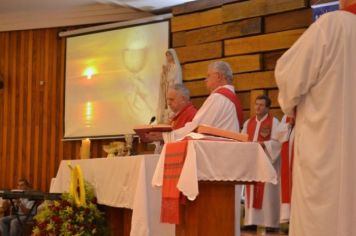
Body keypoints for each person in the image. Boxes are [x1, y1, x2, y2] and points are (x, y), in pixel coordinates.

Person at [274, 1, 356, 235]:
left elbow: (288, 74)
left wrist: (288, 104)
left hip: (325, 146)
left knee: (321, 218)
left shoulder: (331, 25)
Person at [241, 95, 280, 235]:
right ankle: (251, 222)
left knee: (268, 194)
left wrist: (263, 144)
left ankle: (270, 224)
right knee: (251, 194)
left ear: (268, 108)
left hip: (267, 163)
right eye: (256, 104)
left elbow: (277, 142)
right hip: (252, 163)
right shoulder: (248, 123)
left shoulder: (274, 122)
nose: (257, 107)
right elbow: (242, 139)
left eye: (261, 105)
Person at [157, 49, 183, 124]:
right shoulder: (167, 67)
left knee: (171, 106)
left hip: (172, 89)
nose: (168, 57)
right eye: (167, 55)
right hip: (166, 89)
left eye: (169, 55)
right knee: (166, 106)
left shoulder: (176, 67)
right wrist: (164, 73)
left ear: (173, 56)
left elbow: (176, 79)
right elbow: (164, 81)